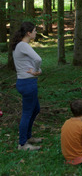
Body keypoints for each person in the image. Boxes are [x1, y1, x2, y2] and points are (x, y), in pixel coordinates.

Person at [12, 22, 43, 151]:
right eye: (35, 31)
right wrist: (36, 70)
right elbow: (38, 59)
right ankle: (23, 144)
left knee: (35, 109)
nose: (36, 33)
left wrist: (37, 70)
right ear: (28, 33)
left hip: (26, 82)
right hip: (27, 83)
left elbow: (30, 63)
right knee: (27, 113)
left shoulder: (21, 46)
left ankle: (28, 137)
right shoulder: (23, 45)